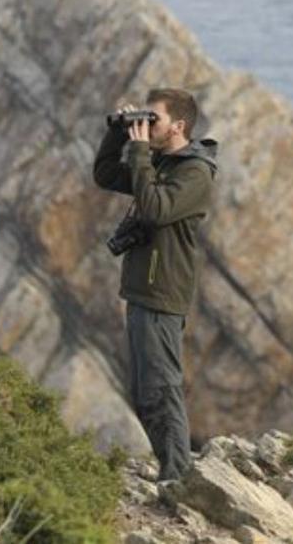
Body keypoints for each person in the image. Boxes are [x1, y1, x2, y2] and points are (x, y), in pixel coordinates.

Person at [92, 86, 218, 483]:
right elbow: (106, 174)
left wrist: (142, 153)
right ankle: (170, 470)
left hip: (164, 293)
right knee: (145, 395)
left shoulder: (195, 172)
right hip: (141, 291)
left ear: (178, 126)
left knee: (163, 391)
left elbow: (155, 208)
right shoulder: (162, 163)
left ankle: (178, 477)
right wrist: (119, 133)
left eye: (154, 120)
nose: (147, 126)